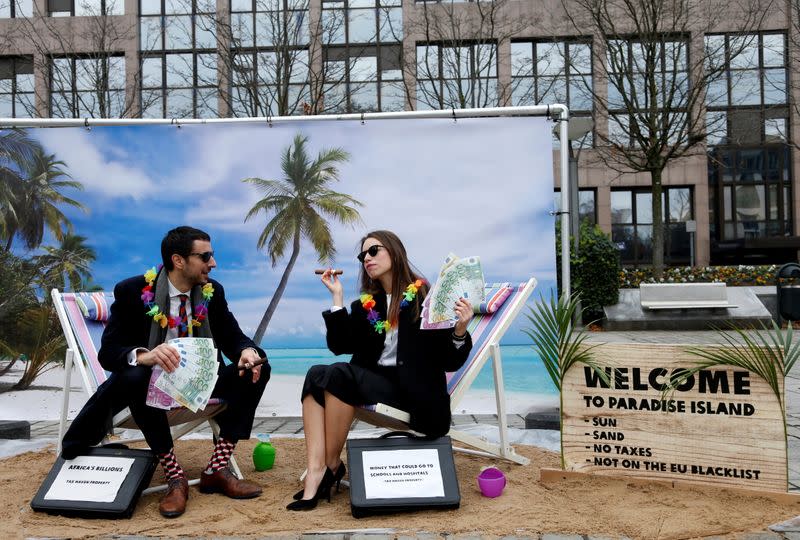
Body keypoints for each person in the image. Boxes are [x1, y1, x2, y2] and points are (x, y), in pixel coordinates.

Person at [61, 226, 271, 518]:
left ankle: (217, 469)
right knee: (138, 375)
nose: (213, 263)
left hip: (199, 385)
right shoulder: (132, 292)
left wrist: (247, 350)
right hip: (149, 390)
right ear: (179, 260)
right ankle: (175, 475)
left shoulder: (212, 292)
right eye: (206, 256)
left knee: (257, 367)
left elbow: (232, 336)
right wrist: (145, 355)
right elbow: (108, 352)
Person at [287, 230, 473, 511]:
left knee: (337, 374)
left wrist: (459, 331)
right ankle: (320, 470)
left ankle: (331, 466)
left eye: (374, 251)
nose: (367, 259)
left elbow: (449, 361)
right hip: (376, 385)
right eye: (363, 255)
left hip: (414, 396)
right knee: (317, 373)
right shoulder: (365, 307)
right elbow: (339, 346)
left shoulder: (426, 298)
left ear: (395, 252)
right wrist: (337, 299)